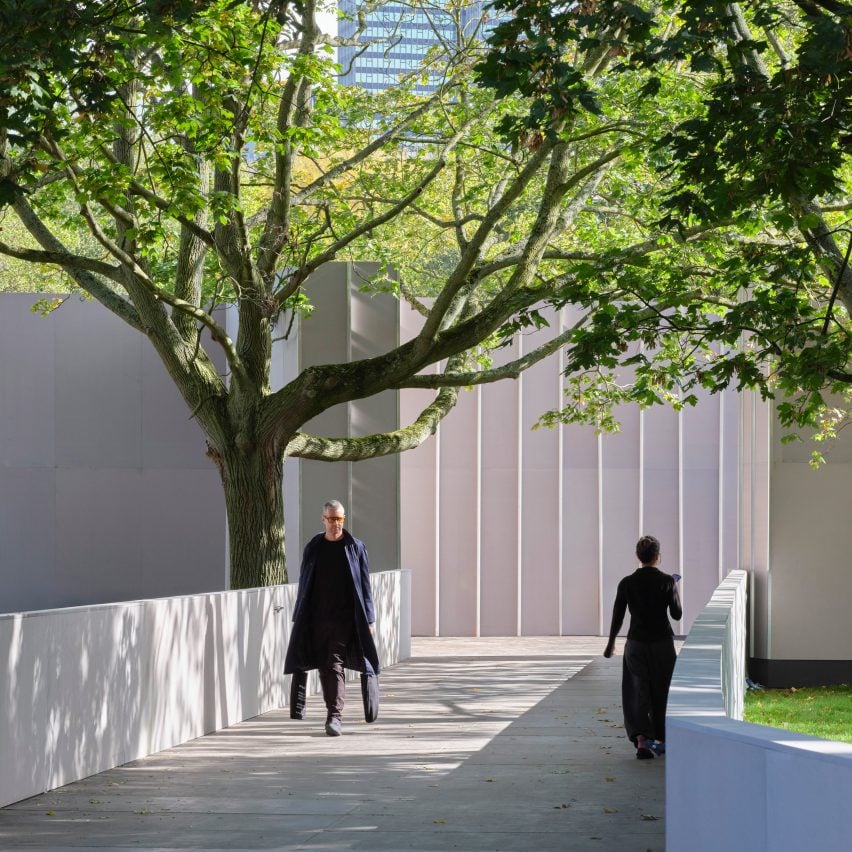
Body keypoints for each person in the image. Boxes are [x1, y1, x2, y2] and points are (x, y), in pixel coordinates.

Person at [284, 500, 380, 736]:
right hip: (316, 617)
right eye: (331, 519)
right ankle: (331, 714)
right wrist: (299, 615)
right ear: (323, 519)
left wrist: (369, 619)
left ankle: (334, 717)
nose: (336, 523)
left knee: (333, 663)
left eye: (340, 519)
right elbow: (305, 583)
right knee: (324, 666)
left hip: (346, 618)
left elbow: (365, 587)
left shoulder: (355, 547)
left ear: (343, 519)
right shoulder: (314, 547)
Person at [603, 535, 682, 759]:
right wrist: (674, 588)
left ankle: (641, 742)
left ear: (638, 556)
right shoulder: (667, 581)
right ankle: (663, 738)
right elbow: (677, 614)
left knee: (637, 691)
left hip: (636, 643)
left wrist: (610, 645)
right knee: (662, 690)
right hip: (662, 644)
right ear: (658, 556)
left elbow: (617, 616)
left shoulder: (627, 583)